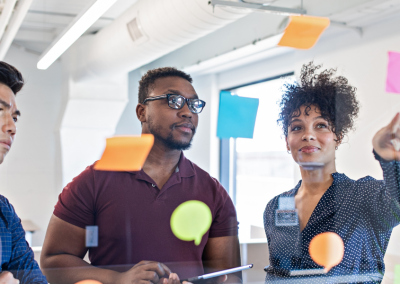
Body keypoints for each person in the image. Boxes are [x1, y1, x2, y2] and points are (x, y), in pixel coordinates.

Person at [41, 67, 241, 284]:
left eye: (194, 104)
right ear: (141, 112)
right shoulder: (94, 181)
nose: (187, 112)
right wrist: (118, 280)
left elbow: (230, 277)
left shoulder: (213, 192)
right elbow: (54, 261)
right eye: (174, 100)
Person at [263, 62, 400, 281]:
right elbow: (278, 274)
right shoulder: (276, 207)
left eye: (321, 125)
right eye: (297, 127)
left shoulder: (364, 195)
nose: (308, 135)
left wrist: (389, 158)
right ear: (287, 142)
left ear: (339, 137)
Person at [0, 61, 48, 284]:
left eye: (15, 117)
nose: (12, 127)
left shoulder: (4, 213)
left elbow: (33, 279)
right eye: (0, 111)